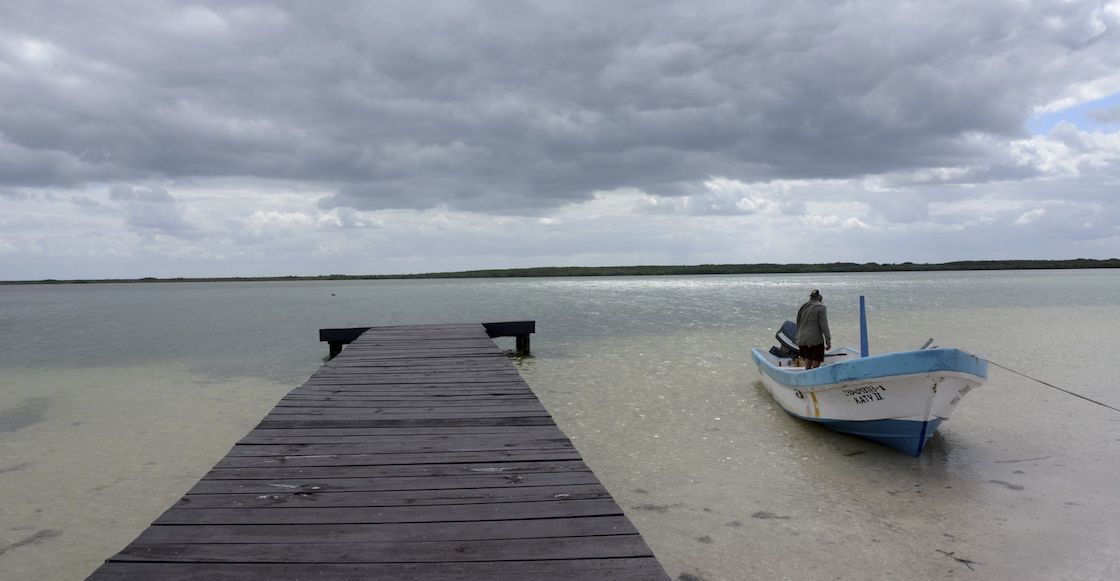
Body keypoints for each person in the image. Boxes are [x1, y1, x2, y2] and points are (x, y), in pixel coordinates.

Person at [795, 289, 831, 369]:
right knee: (816, 361)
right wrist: (828, 340)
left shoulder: (803, 307)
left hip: (802, 339)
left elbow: (798, 322)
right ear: (820, 298)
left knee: (808, 358)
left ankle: (807, 374)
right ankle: (815, 377)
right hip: (815, 340)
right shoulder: (821, 307)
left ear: (810, 297)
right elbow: (824, 325)